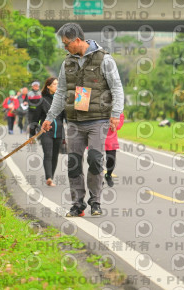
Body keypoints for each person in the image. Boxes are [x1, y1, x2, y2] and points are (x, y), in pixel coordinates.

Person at [41, 23, 124, 217]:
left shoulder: (104, 59)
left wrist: (116, 113)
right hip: (74, 121)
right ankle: (77, 204)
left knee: (95, 159)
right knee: (74, 163)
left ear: (77, 40)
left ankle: (95, 201)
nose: (65, 47)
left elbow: (117, 88)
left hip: (98, 119)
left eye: (66, 43)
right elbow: (61, 92)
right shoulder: (67, 63)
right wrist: (50, 117)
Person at [36, 77, 65, 187]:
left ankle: (51, 177)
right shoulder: (42, 100)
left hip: (59, 132)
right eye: (54, 84)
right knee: (48, 154)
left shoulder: (61, 100)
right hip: (46, 132)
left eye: (58, 84)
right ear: (48, 86)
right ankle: (48, 177)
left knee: (55, 155)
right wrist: (32, 134)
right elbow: (35, 118)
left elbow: (66, 117)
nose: (57, 86)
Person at [103, 112, 124, 187]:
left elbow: (119, 122)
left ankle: (108, 175)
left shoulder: (116, 109)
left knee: (111, 159)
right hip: (97, 136)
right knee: (96, 159)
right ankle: (98, 178)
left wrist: (114, 125)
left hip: (110, 138)